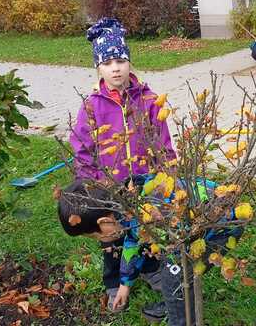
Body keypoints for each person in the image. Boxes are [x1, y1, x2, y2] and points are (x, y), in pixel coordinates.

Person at [68, 17, 176, 313]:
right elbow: (81, 147)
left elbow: (163, 141)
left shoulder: (150, 100)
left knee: (148, 227)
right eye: (108, 62)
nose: (115, 68)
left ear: (129, 62)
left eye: (120, 60)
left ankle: (150, 267)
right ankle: (114, 278)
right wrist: (93, 182)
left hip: (145, 181)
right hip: (109, 187)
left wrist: (166, 173)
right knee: (113, 235)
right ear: (99, 68)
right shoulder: (92, 105)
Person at [58, 177, 243, 325]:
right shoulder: (128, 206)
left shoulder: (151, 208)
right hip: (197, 227)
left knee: (175, 277)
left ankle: (181, 319)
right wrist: (125, 284)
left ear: (104, 222)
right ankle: (176, 305)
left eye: (95, 237)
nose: (99, 241)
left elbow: (177, 237)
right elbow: (132, 243)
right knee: (172, 270)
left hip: (222, 227)